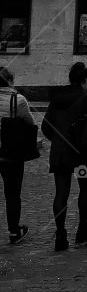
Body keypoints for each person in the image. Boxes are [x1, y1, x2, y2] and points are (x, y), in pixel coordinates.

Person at [42, 61, 87, 251]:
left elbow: (45, 127)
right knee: (85, 189)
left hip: (60, 153)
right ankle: (82, 230)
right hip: (82, 154)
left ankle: (60, 234)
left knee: (61, 192)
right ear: (85, 80)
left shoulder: (56, 99)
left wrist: (60, 139)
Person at [0, 66, 39, 245]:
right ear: (10, 80)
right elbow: (31, 123)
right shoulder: (18, 100)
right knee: (12, 193)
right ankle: (14, 231)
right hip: (10, 153)